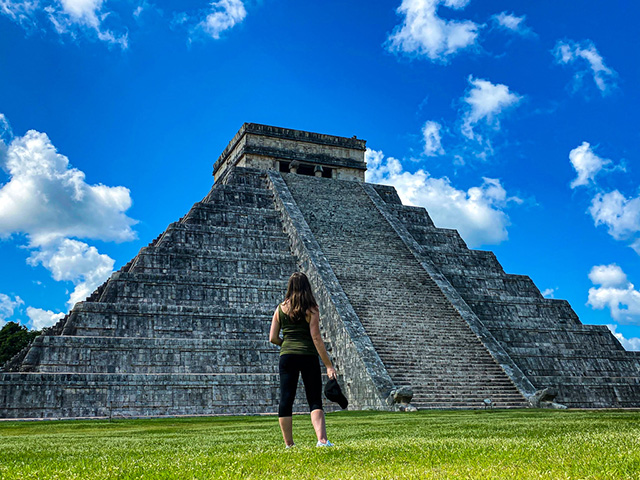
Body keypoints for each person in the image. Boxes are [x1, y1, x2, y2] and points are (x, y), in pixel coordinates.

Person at [269, 272, 337, 448]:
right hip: (308, 356)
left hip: (287, 357)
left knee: (286, 398)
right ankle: (322, 440)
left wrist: (287, 344)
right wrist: (328, 365)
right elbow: (316, 338)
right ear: (307, 286)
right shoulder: (311, 309)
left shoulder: (280, 309)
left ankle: (289, 444)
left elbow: (273, 338)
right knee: (314, 398)